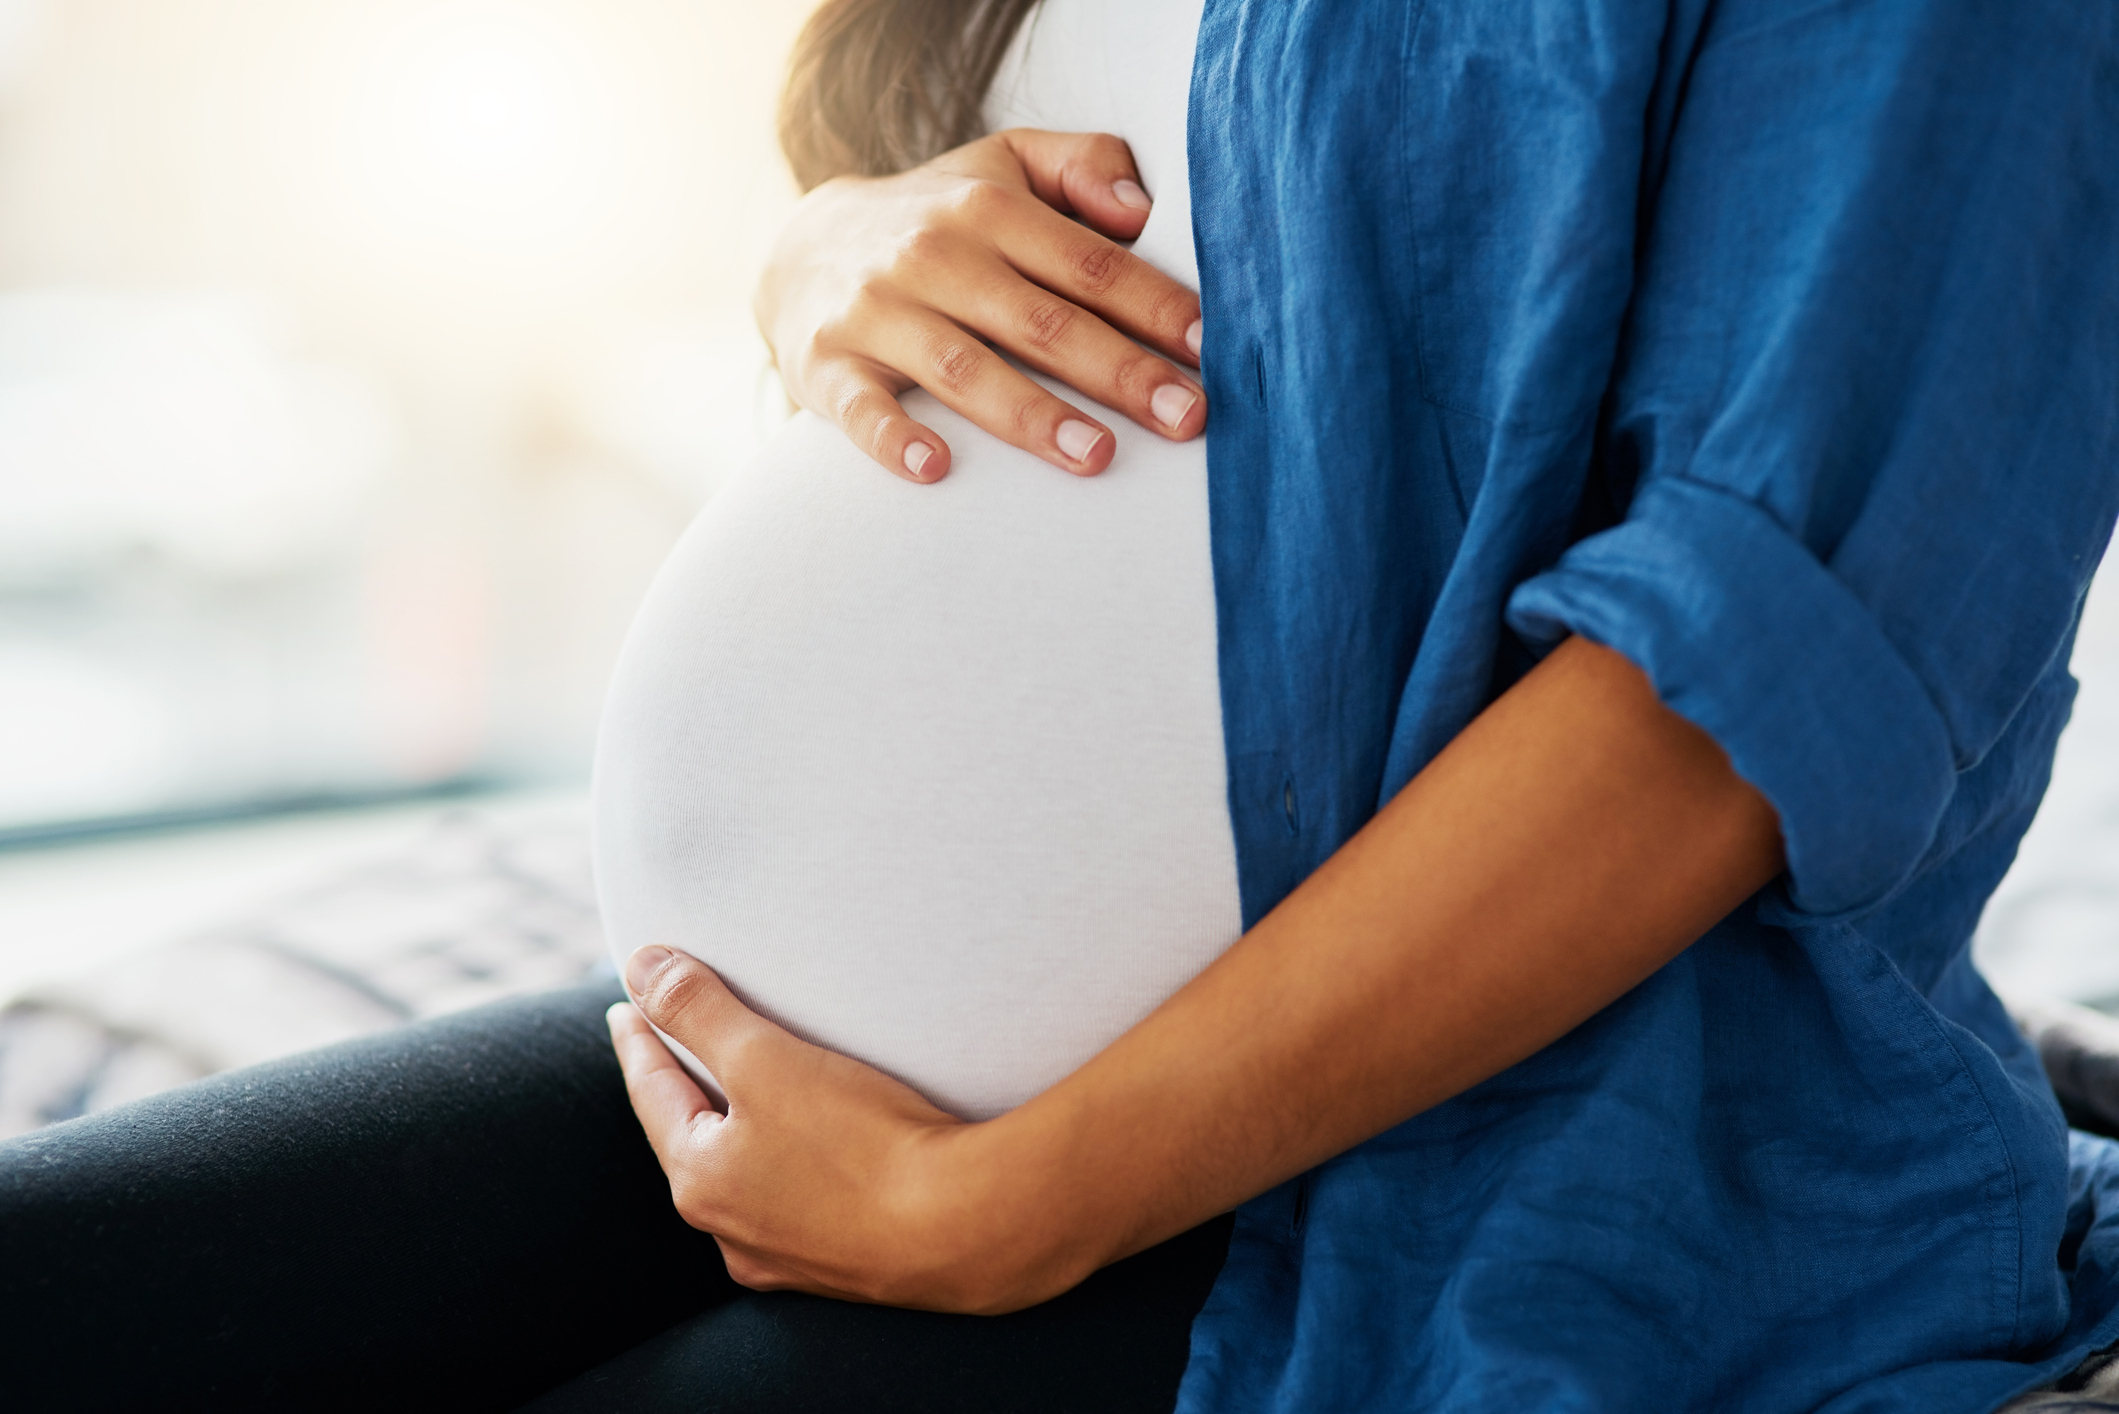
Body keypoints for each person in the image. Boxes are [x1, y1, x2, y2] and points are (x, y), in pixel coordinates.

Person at [5, 1, 2119, 1410]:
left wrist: (1008, 1204)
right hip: (799, 1080)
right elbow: (997, 208)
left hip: (1456, 1168)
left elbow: (1753, 673)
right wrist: (824, 255)